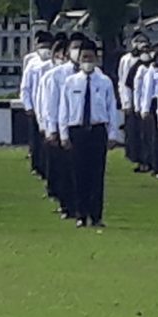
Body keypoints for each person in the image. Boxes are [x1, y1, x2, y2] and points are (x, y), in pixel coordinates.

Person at [54, 39, 121, 229]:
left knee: (96, 175)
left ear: (97, 59)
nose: (87, 61)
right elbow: (64, 110)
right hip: (77, 131)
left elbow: (111, 109)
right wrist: (64, 134)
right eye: (84, 57)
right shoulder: (71, 82)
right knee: (78, 174)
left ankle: (96, 215)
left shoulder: (105, 82)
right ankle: (81, 214)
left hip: (97, 130)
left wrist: (113, 134)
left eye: (90, 57)